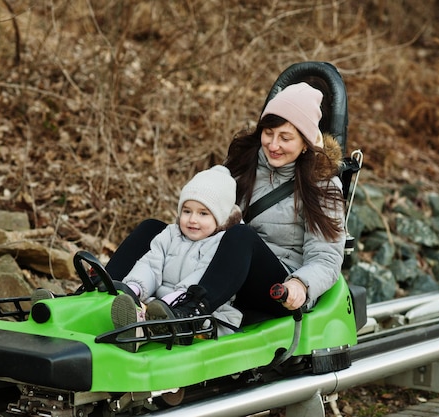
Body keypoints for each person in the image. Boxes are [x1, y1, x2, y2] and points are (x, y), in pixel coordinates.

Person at [105, 81, 346, 331]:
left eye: (285, 138)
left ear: (305, 142)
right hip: (217, 266)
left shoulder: (323, 187)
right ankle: (99, 294)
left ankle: (190, 312)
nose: (273, 145)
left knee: (241, 236)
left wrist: (301, 284)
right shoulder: (244, 164)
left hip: (276, 287)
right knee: (152, 229)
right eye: (268, 133)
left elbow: (326, 258)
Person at [110, 165, 244, 352]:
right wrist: (135, 287)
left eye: (203, 213)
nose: (192, 220)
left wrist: (177, 299)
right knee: (142, 308)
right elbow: (150, 263)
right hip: (160, 306)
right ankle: (137, 332)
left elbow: (202, 276)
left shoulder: (222, 243)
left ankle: (164, 329)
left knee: (190, 321)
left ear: (220, 217)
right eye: (187, 211)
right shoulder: (170, 234)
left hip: (201, 313)